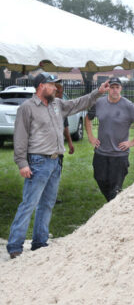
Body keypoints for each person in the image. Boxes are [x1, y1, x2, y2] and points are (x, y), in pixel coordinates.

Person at [7, 72, 109, 259]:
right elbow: (20, 138)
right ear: (41, 86)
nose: (56, 88)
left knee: (47, 204)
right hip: (37, 162)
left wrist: (98, 92)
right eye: (52, 85)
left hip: (55, 162)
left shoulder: (57, 105)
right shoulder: (26, 108)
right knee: (29, 204)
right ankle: (15, 246)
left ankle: (39, 242)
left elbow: (79, 103)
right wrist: (22, 163)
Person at [85, 77, 134, 202]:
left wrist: (132, 142)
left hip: (119, 155)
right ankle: (114, 205)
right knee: (100, 179)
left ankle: (114, 211)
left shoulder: (128, 106)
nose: (115, 90)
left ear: (121, 88)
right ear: (108, 89)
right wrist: (91, 136)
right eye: (112, 87)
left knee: (115, 188)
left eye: (117, 87)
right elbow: (88, 118)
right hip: (101, 153)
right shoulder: (99, 103)